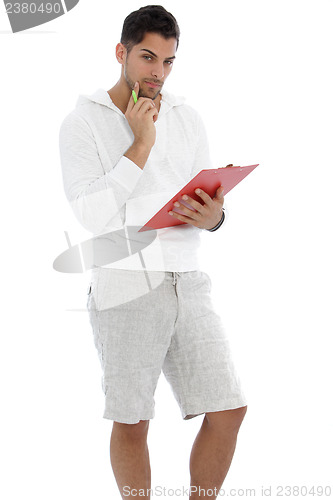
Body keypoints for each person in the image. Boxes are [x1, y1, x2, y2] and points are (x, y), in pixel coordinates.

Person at [59, 5, 247, 499]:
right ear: (121, 53)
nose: (157, 73)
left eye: (167, 62)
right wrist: (140, 143)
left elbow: (204, 199)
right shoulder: (83, 122)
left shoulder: (187, 116)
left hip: (188, 279)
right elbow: (91, 215)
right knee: (133, 418)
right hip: (124, 284)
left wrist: (215, 218)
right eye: (147, 58)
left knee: (229, 409)